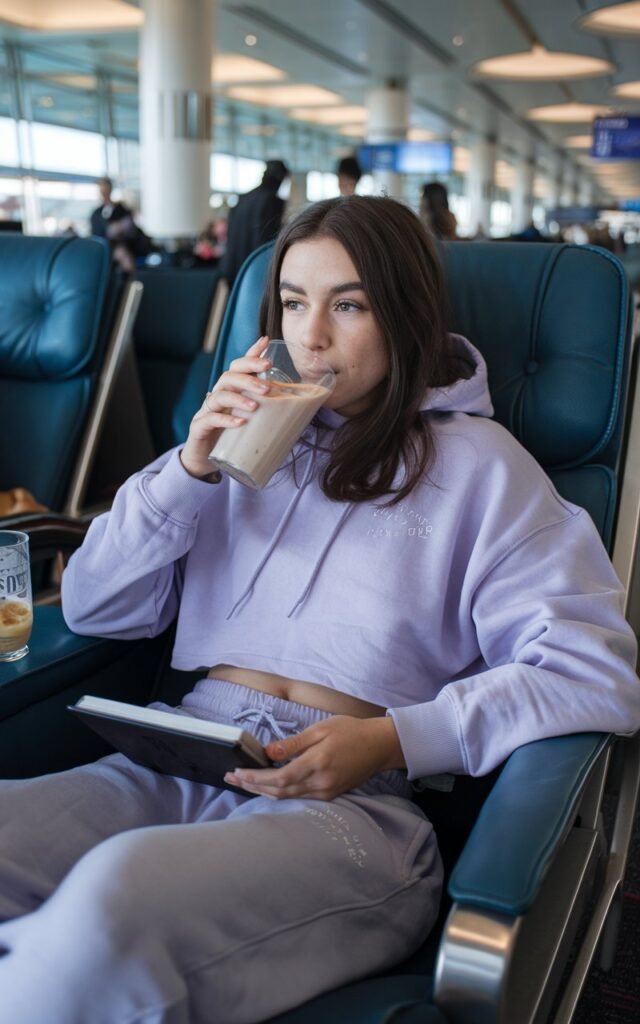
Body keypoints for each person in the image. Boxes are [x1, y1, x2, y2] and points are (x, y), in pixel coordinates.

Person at [1, 196, 639, 1024]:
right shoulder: (241, 440)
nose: (312, 335)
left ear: (404, 314)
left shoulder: (485, 470)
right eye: (294, 303)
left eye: (348, 304)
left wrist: (392, 738)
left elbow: (594, 671)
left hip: (353, 810)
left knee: (110, 909)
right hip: (184, 754)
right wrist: (189, 469)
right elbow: (95, 605)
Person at [221, 159, 290, 286]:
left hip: (233, 268)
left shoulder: (242, 199)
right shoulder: (272, 201)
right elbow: (269, 241)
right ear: (281, 178)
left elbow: (230, 235)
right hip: (256, 270)